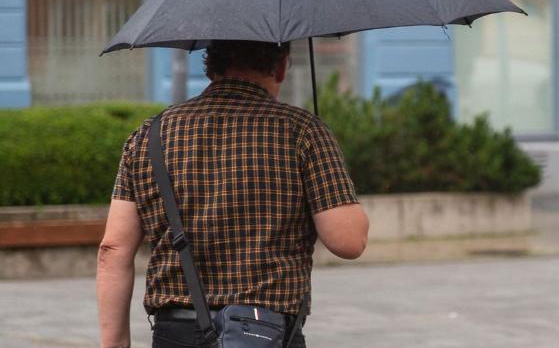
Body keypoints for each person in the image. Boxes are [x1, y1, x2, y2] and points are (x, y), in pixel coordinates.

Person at [96, 40, 369, 348]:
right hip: (268, 332)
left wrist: (115, 344)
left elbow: (112, 250)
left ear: (211, 65)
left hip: (177, 333)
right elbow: (348, 242)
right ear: (281, 66)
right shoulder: (303, 131)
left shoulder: (150, 136)